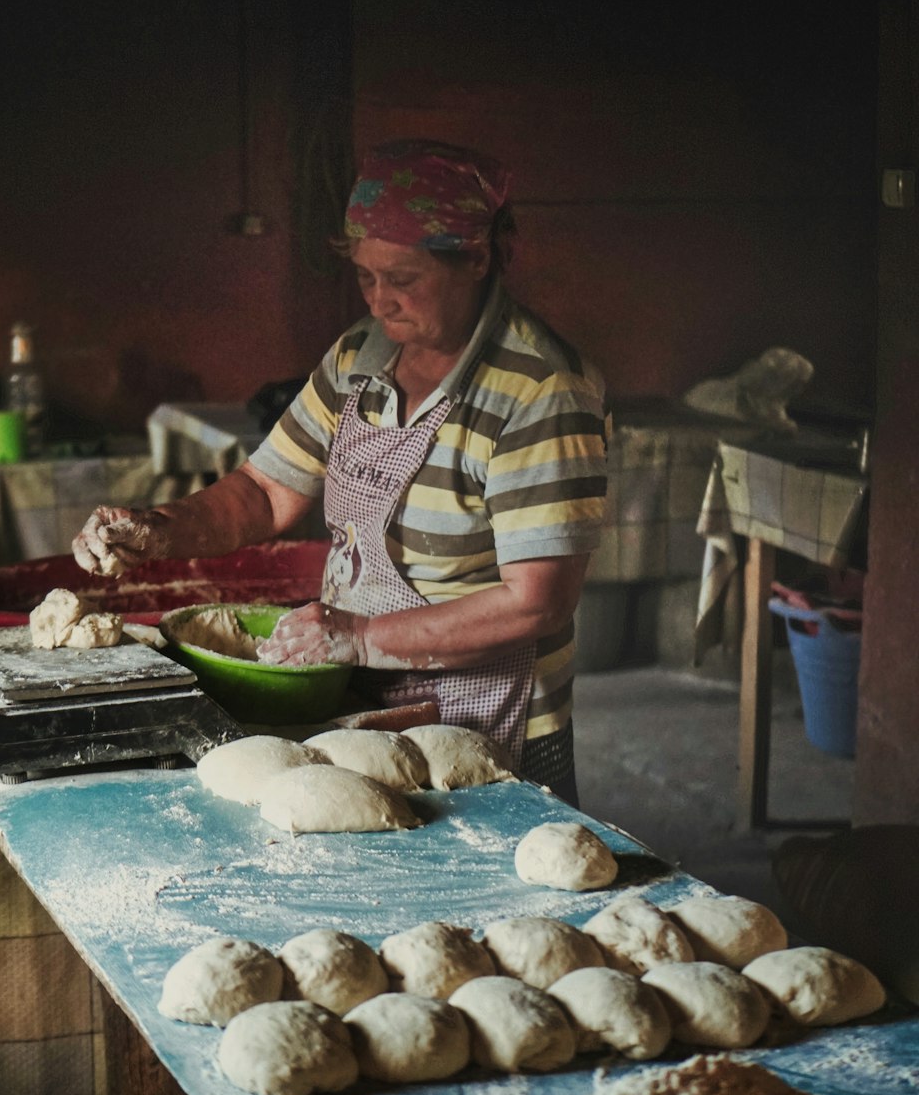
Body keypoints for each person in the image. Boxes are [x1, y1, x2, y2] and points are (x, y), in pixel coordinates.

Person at [73, 140, 608, 805]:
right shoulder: (360, 355)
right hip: (363, 690)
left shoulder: (538, 389)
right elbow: (266, 493)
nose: (380, 302)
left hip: (488, 722)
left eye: (404, 280)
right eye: (366, 277)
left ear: (475, 258)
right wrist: (159, 529)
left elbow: (538, 599)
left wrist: (358, 637)